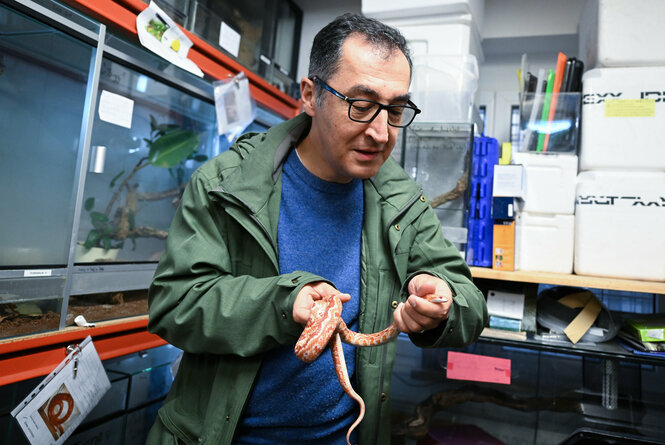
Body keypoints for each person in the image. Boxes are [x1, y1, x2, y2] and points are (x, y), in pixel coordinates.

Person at [146, 12, 488, 445]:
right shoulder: (227, 185)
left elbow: (470, 302)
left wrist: (440, 301)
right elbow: (174, 304)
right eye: (361, 106)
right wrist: (283, 304)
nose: (381, 133)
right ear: (310, 95)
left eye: (397, 109)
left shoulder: (401, 202)